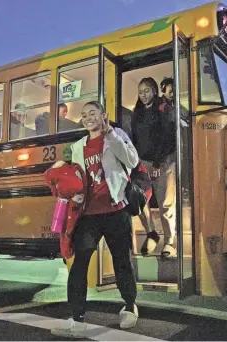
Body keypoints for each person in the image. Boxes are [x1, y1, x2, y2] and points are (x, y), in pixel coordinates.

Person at [51, 101, 139, 338]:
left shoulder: (116, 135)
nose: (89, 118)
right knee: (79, 265)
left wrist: (110, 133)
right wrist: (75, 193)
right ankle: (77, 318)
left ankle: (130, 306)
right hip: (88, 215)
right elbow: (75, 177)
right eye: (84, 115)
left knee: (122, 261)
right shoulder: (78, 146)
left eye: (93, 113)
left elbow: (131, 161)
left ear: (103, 115)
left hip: (115, 211)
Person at [131, 77, 177, 259]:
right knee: (141, 201)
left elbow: (168, 137)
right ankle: (151, 233)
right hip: (143, 163)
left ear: (154, 91)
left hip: (163, 162)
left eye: (147, 91)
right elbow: (135, 139)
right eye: (140, 92)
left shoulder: (163, 108)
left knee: (165, 203)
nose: (143, 95)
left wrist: (157, 163)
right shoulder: (138, 112)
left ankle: (170, 242)